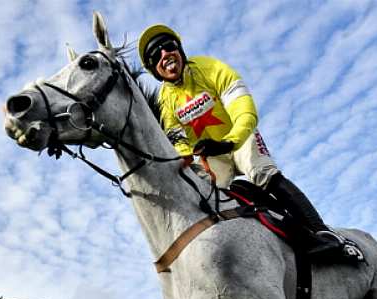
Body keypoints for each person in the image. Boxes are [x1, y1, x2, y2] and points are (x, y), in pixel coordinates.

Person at [138, 24, 347, 257]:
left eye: (168, 46)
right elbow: (180, 144)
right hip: (214, 157)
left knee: (262, 173)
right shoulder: (166, 101)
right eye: (156, 55)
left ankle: (322, 231)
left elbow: (242, 107)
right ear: (154, 69)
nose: (164, 54)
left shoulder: (209, 67)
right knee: (208, 198)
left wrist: (231, 140)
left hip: (239, 137)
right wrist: (183, 162)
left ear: (180, 49)